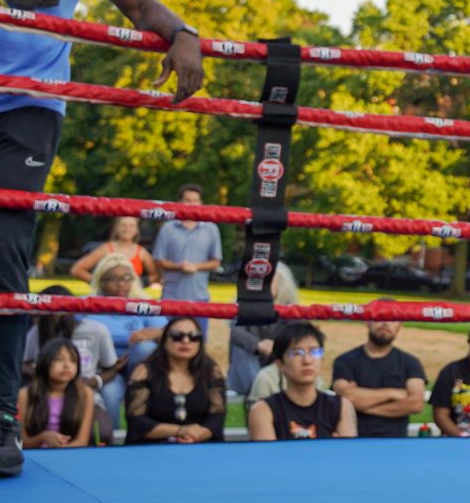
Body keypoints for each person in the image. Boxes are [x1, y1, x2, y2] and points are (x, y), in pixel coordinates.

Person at [0, 0, 205, 476]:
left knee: (5, 254)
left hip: (26, 107)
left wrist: (180, 31)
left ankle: (1, 416)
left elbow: (138, 2)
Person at [84, 260, 162, 440]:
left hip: (139, 367)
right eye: (114, 279)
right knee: (110, 394)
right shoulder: (88, 305)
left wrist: (152, 333)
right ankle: (114, 441)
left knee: (146, 347)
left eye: (127, 278)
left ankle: (142, 392)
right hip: (107, 370)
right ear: (101, 281)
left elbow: (171, 329)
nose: (122, 283)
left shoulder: (144, 304)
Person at [151, 185, 222, 367]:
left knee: (198, 345)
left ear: (201, 203)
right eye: (187, 200)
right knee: (167, 344)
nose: (191, 204)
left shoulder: (211, 228)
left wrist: (195, 267)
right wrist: (179, 267)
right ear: (179, 203)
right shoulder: (168, 227)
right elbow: (158, 259)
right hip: (171, 297)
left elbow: (216, 261)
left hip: (199, 298)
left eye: (195, 200)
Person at [124, 318, 225, 444]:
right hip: (151, 450)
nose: (186, 341)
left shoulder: (211, 371)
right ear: (164, 340)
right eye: (177, 336)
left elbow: (217, 418)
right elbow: (137, 422)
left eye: (194, 337)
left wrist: (197, 435)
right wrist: (180, 431)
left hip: (201, 447)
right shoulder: (144, 372)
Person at [247, 323, 355, 441]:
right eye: (297, 353)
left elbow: (347, 455)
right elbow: (267, 457)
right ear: (280, 364)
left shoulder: (341, 407)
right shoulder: (263, 411)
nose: (307, 360)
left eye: (314, 352)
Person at [330, 312, 428, 439]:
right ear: (367, 321)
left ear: (400, 325)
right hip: (353, 443)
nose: (385, 323)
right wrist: (393, 393)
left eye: (392, 319)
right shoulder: (345, 361)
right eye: (379, 317)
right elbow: (347, 397)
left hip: (396, 444)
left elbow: (415, 403)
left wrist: (361, 405)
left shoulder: (410, 363)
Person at [227, 262, 296, 400]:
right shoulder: (242, 307)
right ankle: (259, 393)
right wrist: (258, 345)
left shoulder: (291, 310)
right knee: (243, 352)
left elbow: (295, 334)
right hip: (246, 370)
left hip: (276, 365)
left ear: (282, 285)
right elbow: (236, 331)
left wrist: (275, 346)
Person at [17, 337, 95, 448]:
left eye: (73, 360)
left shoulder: (86, 394)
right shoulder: (25, 394)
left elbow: (82, 441)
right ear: (44, 362)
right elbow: (22, 441)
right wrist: (43, 437)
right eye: (59, 359)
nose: (67, 365)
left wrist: (60, 449)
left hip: (70, 454)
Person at [71, 217, 157, 289]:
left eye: (131, 226)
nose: (127, 229)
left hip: (131, 300)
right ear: (117, 228)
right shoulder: (106, 249)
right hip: (108, 299)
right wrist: (100, 284)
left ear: (137, 230)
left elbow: (156, 275)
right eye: (123, 225)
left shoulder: (142, 252)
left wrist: (138, 285)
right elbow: (77, 270)